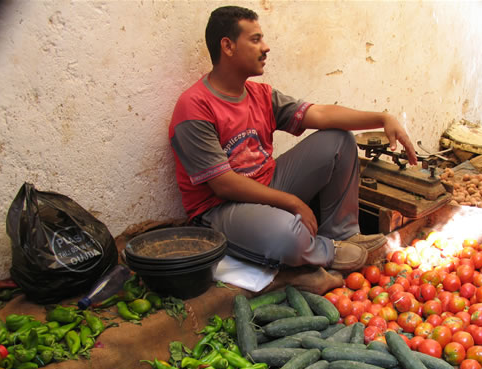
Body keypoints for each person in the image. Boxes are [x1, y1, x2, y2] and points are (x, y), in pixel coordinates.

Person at [168, 5, 418, 273]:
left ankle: (343, 235)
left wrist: (382, 118)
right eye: (255, 39)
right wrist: (293, 203)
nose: (266, 47)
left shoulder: (260, 95)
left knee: (339, 141)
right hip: (220, 209)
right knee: (287, 235)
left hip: (268, 184)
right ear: (227, 46)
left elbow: (320, 114)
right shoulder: (194, 107)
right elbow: (224, 185)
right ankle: (323, 251)